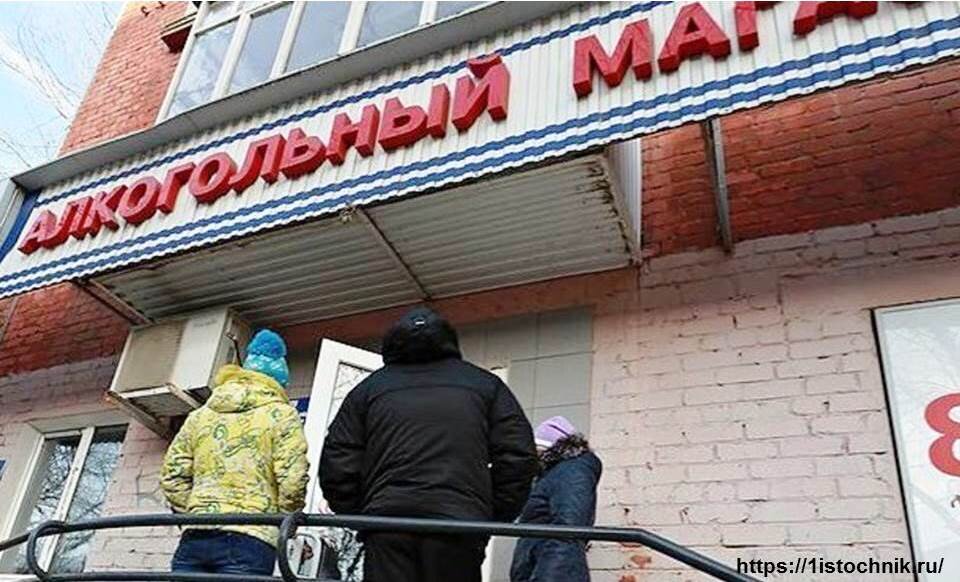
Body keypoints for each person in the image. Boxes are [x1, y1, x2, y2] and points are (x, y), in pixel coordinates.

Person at [320, 306, 538, 582]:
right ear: (447, 340)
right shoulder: (486, 385)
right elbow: (518, 456)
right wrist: (490, 512)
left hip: (387, 524)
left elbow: (338, 460)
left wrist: (361, 512)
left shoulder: (367, 391)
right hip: (458, 525)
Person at [160, 329, 309, 576]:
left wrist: (196, 513)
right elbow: (293, 480)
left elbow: (172, 475)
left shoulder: (199, 416)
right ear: (278, 381)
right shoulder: (282, 415)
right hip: (252, 538)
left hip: (196, 537)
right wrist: (284, 522)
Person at [510, 416, 602, 582]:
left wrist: (546, 577)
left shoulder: (572, 470)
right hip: (543, 567)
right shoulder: (556, 472)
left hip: (550, 571)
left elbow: (568, 529)